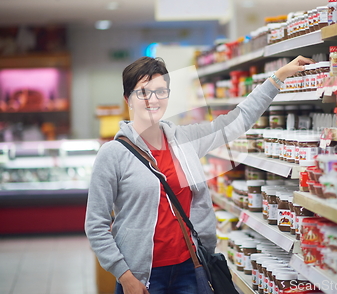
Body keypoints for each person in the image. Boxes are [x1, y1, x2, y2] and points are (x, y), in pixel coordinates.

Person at [85, 55, 314, 294]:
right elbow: (96, 225)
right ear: (128, 99)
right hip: (142, 276)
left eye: (160, 91)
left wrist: (278, 78)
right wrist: (125, 276)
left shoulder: (185, 140)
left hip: (190, 269)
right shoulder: (113, 154)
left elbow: (238, 120)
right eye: (143, 92)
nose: (153, 99)